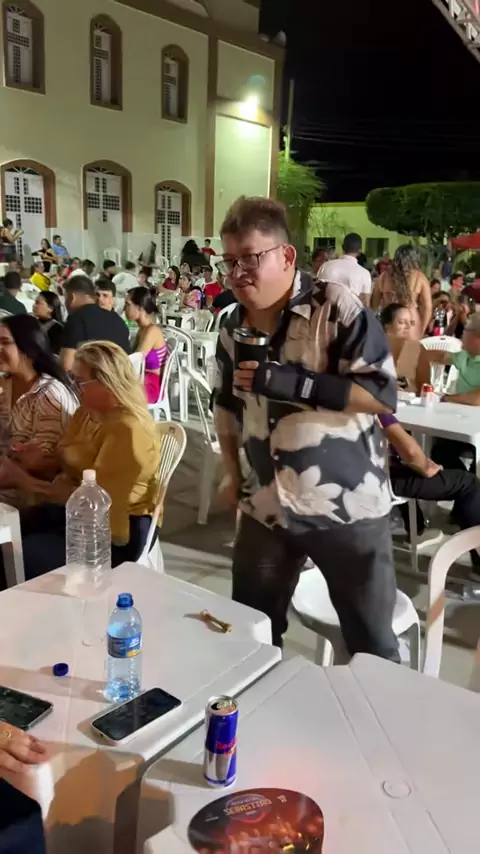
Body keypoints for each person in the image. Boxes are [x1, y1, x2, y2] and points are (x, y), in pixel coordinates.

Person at [214, 196, 398, 659]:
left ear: (286, 256)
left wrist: (295, 383)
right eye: (229, 261)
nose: (237, 273)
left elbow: (380, 393)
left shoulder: (335, 308)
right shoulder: (232, 324)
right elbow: (226, 406)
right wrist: (232, 474)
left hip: (346, 506)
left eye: (250, 258)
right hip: (265, 506)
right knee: (251, 636)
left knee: (371, 645)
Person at [2, 341, 160, 579]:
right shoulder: (87, 413)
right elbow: (69, 460)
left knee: (18, 557)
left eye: (80, 381)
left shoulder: (127, 429)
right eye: (72, 379)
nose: (74, 387)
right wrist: (37, 459)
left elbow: (97, 502)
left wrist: (23, 480)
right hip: (74, 512)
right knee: (10, 533)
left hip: (115, 529)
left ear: (107, 382)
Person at [380, 413, 480, 565]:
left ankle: (418, 530)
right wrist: (427, 466)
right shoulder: (378, 410)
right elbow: (411, 453)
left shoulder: (345, 405)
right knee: (469, 483)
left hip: (360, 477)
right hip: (383, 478)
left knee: (437, 457)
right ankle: (478, 565)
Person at [0, 315, 78, 507]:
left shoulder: (48, 395)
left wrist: (11, 464)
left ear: (27, 348)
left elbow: (41, 466)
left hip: (32, 494)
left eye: (5, 342)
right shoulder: (6, 385)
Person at [60, 275, 130, 371]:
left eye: (66, 298)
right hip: (120, 377)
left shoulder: (76, 320)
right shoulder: (118, 320)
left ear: (72, 297)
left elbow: (67, 367)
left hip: (92, 378)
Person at [371, 244, 432, 338]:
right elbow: (427, 308)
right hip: (411, 322)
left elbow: (374, 306)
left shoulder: (383, 277)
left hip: (390, 321)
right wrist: (422, 329)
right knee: (409, 348)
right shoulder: (419, 277)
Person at [125, 287, 167, 404]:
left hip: (151, 387)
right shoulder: (143, 329)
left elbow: (136, 361)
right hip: (143, 380)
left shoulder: (152, 331)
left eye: (128, 305)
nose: (124, 309)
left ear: (140, 307)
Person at [380, 304, 430, 392]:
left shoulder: (416, 349)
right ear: (387, 325)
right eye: (402, 322)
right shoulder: (375, 347)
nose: (408, 327)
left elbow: (425, 387)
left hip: (409, 399)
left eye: (411, 322)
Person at [319, 233, 372, 305]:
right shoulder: (365, 274)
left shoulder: (325, 266)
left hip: (324, 310)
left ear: (342, 247)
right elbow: (366, 304)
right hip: (351, 311)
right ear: (359, 251)